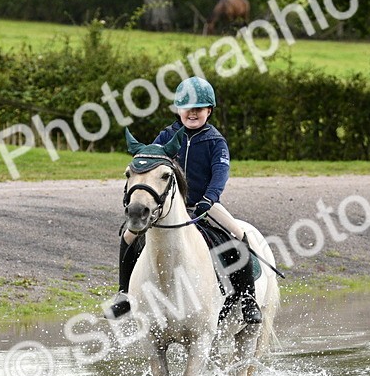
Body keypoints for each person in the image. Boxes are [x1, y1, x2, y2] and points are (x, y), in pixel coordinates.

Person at [107, 76, 263, 325]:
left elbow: (220, 175)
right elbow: (151, 162)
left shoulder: (215, 141)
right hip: (167, 207)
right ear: (178, 109)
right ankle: (124, 294)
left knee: (237, 234)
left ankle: (247, 298)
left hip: (204, 205)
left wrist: (209, 200)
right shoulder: (167, 136)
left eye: (198, 109)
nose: (192, 113)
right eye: (187, 108)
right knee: (128, 236)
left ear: (208, 111)